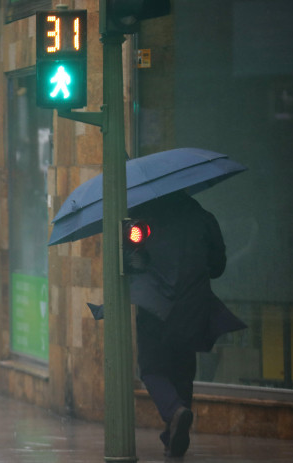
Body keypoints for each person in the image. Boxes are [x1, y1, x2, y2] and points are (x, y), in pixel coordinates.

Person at [128, 191, 246, 458]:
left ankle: (174, 412)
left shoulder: (143, 219)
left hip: (154, 307)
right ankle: (174, 436)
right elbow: (217, 266)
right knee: (182, 371)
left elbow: (130, 261)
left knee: (151, 368)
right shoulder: (204, 218)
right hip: (193, 305)